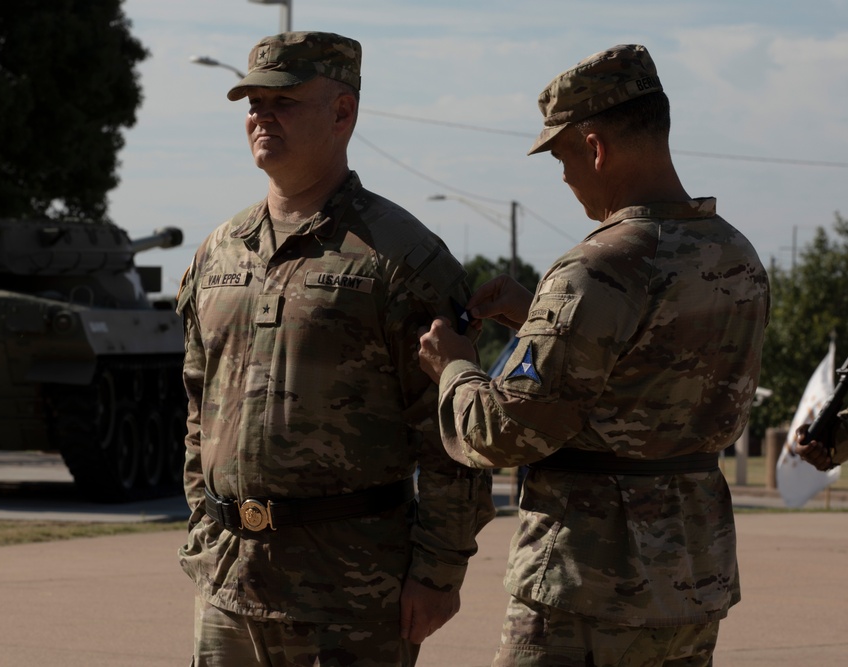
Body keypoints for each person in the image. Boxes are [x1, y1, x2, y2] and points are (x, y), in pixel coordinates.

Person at [418, 44, 770, 666]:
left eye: (561, 156)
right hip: (692, 575)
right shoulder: (734, 254)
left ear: (595, 145)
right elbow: (652, 378)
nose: (563, 176)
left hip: (588, 585)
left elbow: (503, 434)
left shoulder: (596, 268)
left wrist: (454, 365)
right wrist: (539, 319)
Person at [174, 31, 494, 666]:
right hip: (229, 580)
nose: (263, 117)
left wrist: (437, 571)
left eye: (284, 101)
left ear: (343, 112)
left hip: (351, 594)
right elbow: (196, 404)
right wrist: (202, 524)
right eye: (253, 103)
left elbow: (452, 438)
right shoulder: (219, 252)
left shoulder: (403, 257)